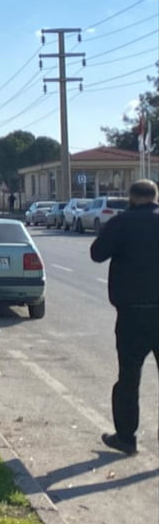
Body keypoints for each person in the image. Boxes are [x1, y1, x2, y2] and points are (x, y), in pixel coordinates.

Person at [89, 179, 159, 455]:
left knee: (128, 378)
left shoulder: (121, 222)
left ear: (131, 198)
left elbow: (97, 254)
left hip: (132, 315)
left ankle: (126, 438)